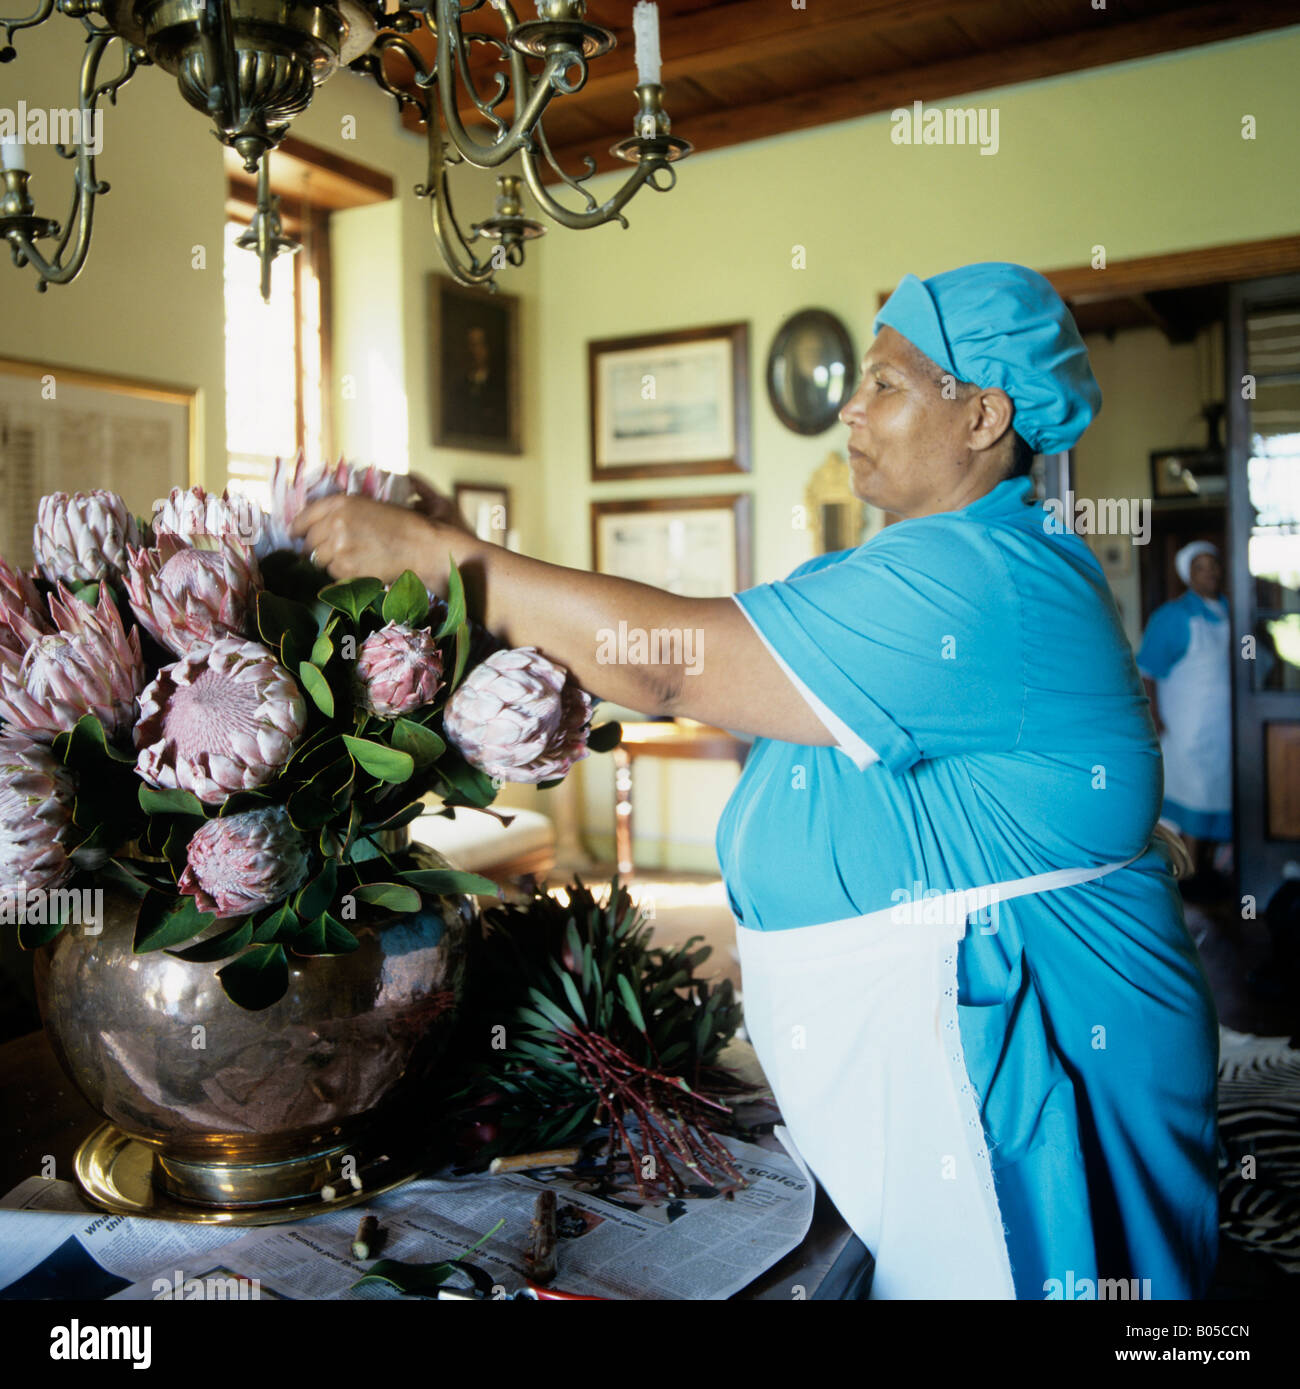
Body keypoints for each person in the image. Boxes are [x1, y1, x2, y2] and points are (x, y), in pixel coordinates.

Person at [293, 262, 1221, 1301]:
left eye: (885, 385)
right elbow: (674, 668)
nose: (851, 410)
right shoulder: (894, 566)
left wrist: (444, 560)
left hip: (1014, 1057)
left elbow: (670, 658)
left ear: (982, 417)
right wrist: (464, 551)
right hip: (923, 1049)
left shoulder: (983, 579)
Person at [1137, 541, 1232, 889]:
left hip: (1224, 730)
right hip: (1186, 728)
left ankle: (1210, 871)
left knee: (1219, 793)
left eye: (1213, 565)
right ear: (1188, 575)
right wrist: (1155, 718)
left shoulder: (1230, 612)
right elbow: (1147, 671)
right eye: (1200, 567)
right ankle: (1187, 879)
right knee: (1191, 796)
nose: (1210, 572)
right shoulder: (1173, 617)